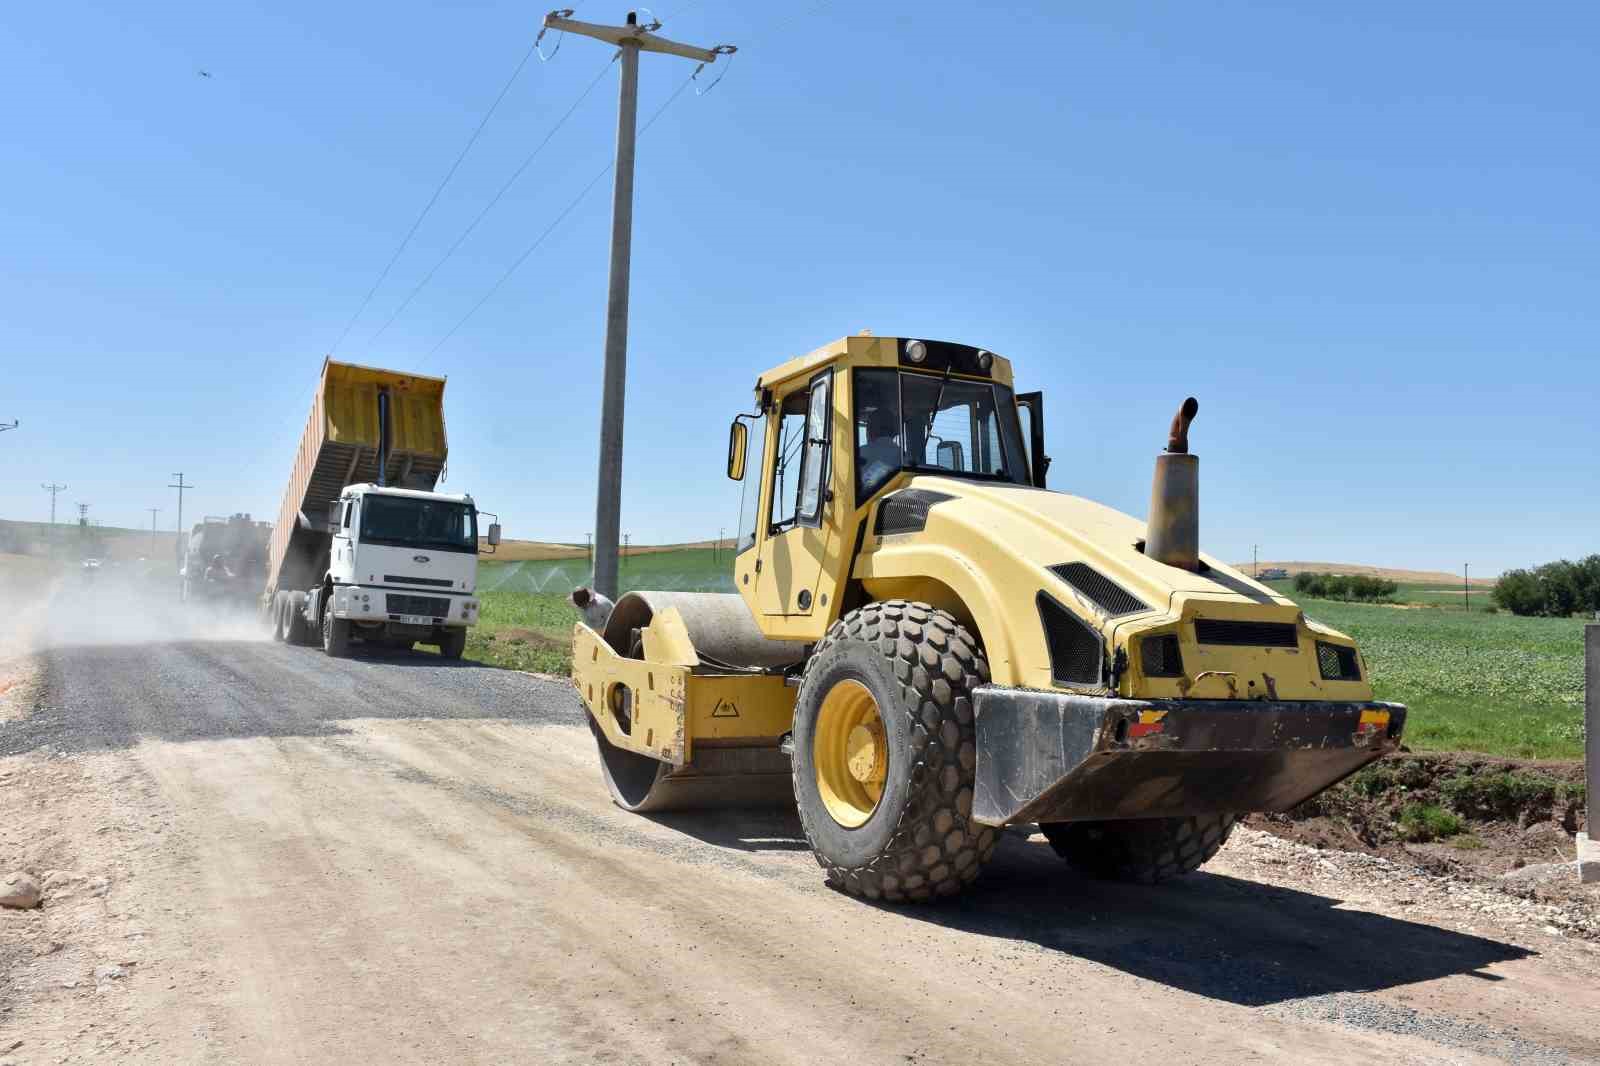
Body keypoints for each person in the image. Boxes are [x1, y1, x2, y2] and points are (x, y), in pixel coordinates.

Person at [857, 404, 902, 495]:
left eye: (868, 426)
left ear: (871, 429)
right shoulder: (905, 458)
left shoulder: (860, 453)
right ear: (894, 431)